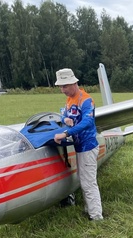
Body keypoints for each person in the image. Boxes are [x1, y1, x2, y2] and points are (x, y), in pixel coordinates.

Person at [53, 68, 103, 221]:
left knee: (89, 183)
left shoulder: (86, 100)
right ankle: (90, 210)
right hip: (79, 146)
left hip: (88, 146)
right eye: (61, 87)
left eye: (65, 86)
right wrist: (64, 120)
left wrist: (66, 133)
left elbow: (88, 122)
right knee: (84, 180)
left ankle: (96, 217)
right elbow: (64, 113)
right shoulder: (69, 100)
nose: (63, 90)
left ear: (74, 83)